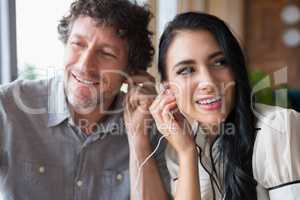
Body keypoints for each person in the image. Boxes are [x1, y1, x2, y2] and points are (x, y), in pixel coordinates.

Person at [0, 0, 170, 199]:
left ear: (131, 71)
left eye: (106, 53)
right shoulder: (9, 106)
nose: (84, 65)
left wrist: (138, 138)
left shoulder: (152, 126)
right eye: (77, 44)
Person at [150, 12, 300, 200]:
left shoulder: (277, 128)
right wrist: (187, 153)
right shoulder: (179, 146)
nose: (208, 82)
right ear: (167, 88)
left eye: (220, 62)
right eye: (186, 70)